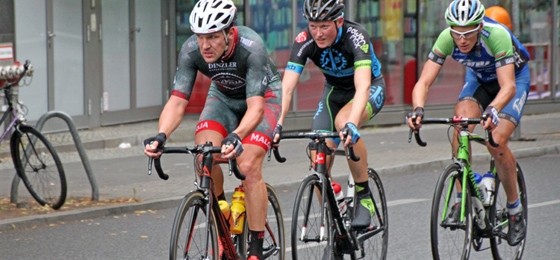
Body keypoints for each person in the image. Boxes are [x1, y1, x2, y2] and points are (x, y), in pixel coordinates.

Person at [143, 0, 281, 259]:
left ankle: (255, 247)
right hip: (223, 97)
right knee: (202, 155)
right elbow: (177, 101)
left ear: (229, 33)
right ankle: (222, 216)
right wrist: (161, 135)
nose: (205, 45)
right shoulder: (191, 50)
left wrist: (236, 135)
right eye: (200, 37)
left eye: (213, 37)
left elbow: (255, 108)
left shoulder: (251, 48)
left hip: (263, 98)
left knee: (248, 165)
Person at [406, 0, 529, 246]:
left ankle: (515, 211)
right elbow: (424, 82)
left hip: (511, 80)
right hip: (480, 79)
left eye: (468, 33)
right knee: (460, 124)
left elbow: (508, 86)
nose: (461, 39)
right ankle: (463, 198)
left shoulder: (496, 35)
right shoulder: (446, 37)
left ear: (479, 26)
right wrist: (417, 110)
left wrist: (493, 110)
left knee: (496, 140)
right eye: (456, 32)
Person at [273, 0, 385, 230]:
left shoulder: (356, 36)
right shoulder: (304, 40)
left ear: (339, 21)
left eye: (324, 26)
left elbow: (362, 86)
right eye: (313, 26)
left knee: (344, 123)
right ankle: (336, 229)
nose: (318, 33)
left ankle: (364, 196)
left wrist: (353, 123)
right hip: (334, 91)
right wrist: (277, 124)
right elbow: (286, 88)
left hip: (369, 88)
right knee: (318, 156)